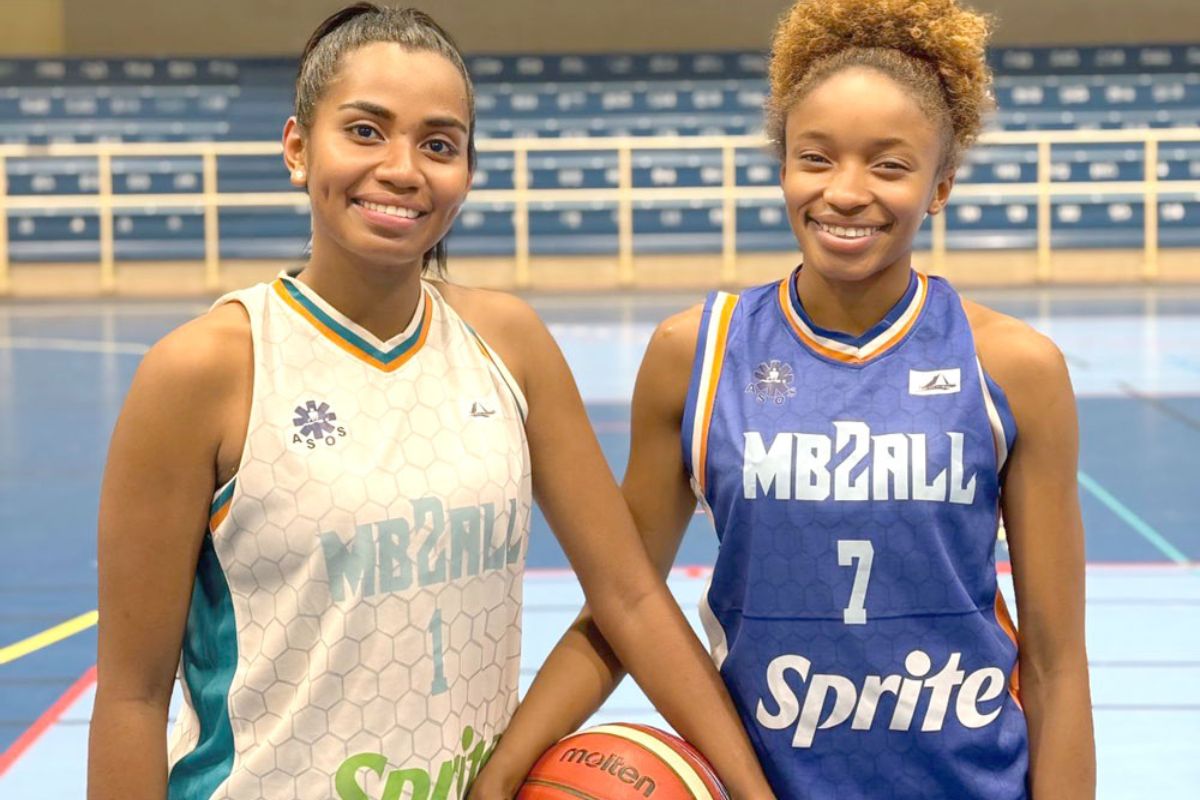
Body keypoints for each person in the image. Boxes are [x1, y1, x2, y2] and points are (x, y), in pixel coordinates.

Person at [86, 5, 775, 799]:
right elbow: (132, 697)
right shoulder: (205, 369)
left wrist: (754, 792)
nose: (403, 169)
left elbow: (631, 598)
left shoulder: (509, 344)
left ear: (467, 173)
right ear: (298, 148)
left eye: (439, 144)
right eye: (366, 131)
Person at [472, 0, 1096, 797]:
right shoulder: (695, 357)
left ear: (940, 184)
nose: (846, 191)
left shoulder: (1012, 368)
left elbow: (1055, 662)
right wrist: (503, 770)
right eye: (816, 158)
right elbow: (623, 604)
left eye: (889, 166)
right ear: (783, 167)